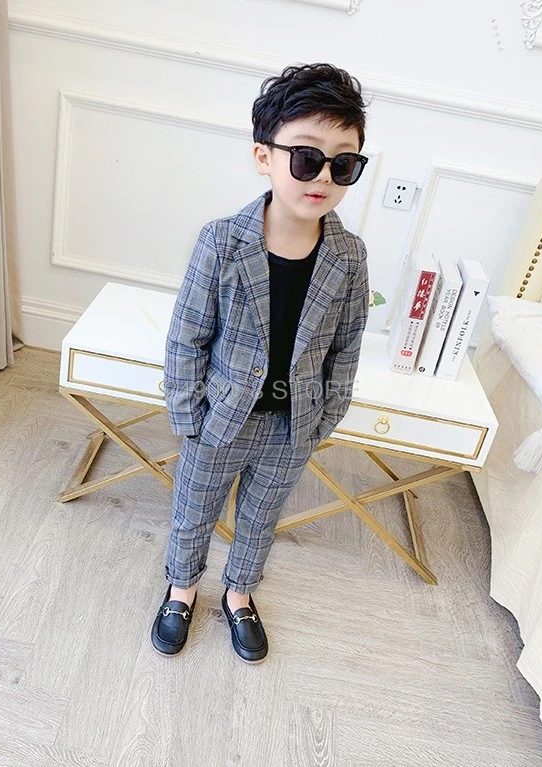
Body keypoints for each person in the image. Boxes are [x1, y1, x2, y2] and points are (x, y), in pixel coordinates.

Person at [151, 62, 370, 664]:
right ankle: (181, 589)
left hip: (292, 426)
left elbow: (346, 345)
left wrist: (324, 419)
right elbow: (187, 336)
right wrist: (188, 417)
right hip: (219, 420)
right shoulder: (222, 241)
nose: (322, 176)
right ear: (263, 157)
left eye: (342, 164)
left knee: (261, 516)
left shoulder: (350, 256)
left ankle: (239, 593)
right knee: (193, 509)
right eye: (307, 158)